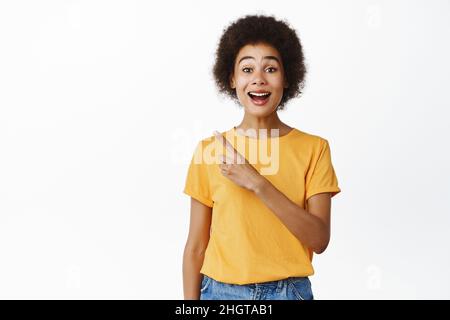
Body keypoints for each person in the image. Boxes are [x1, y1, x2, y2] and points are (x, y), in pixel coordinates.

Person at [182, 14, 341, 300]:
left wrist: (257, 183)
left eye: (270, 68)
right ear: (231, 78)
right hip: (221, 294)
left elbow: (319, 240)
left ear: (287, 77)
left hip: (289, 292)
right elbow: (195, 247)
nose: (258, 79)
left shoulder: (314, 149)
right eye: (247, 69)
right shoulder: (209, 151)